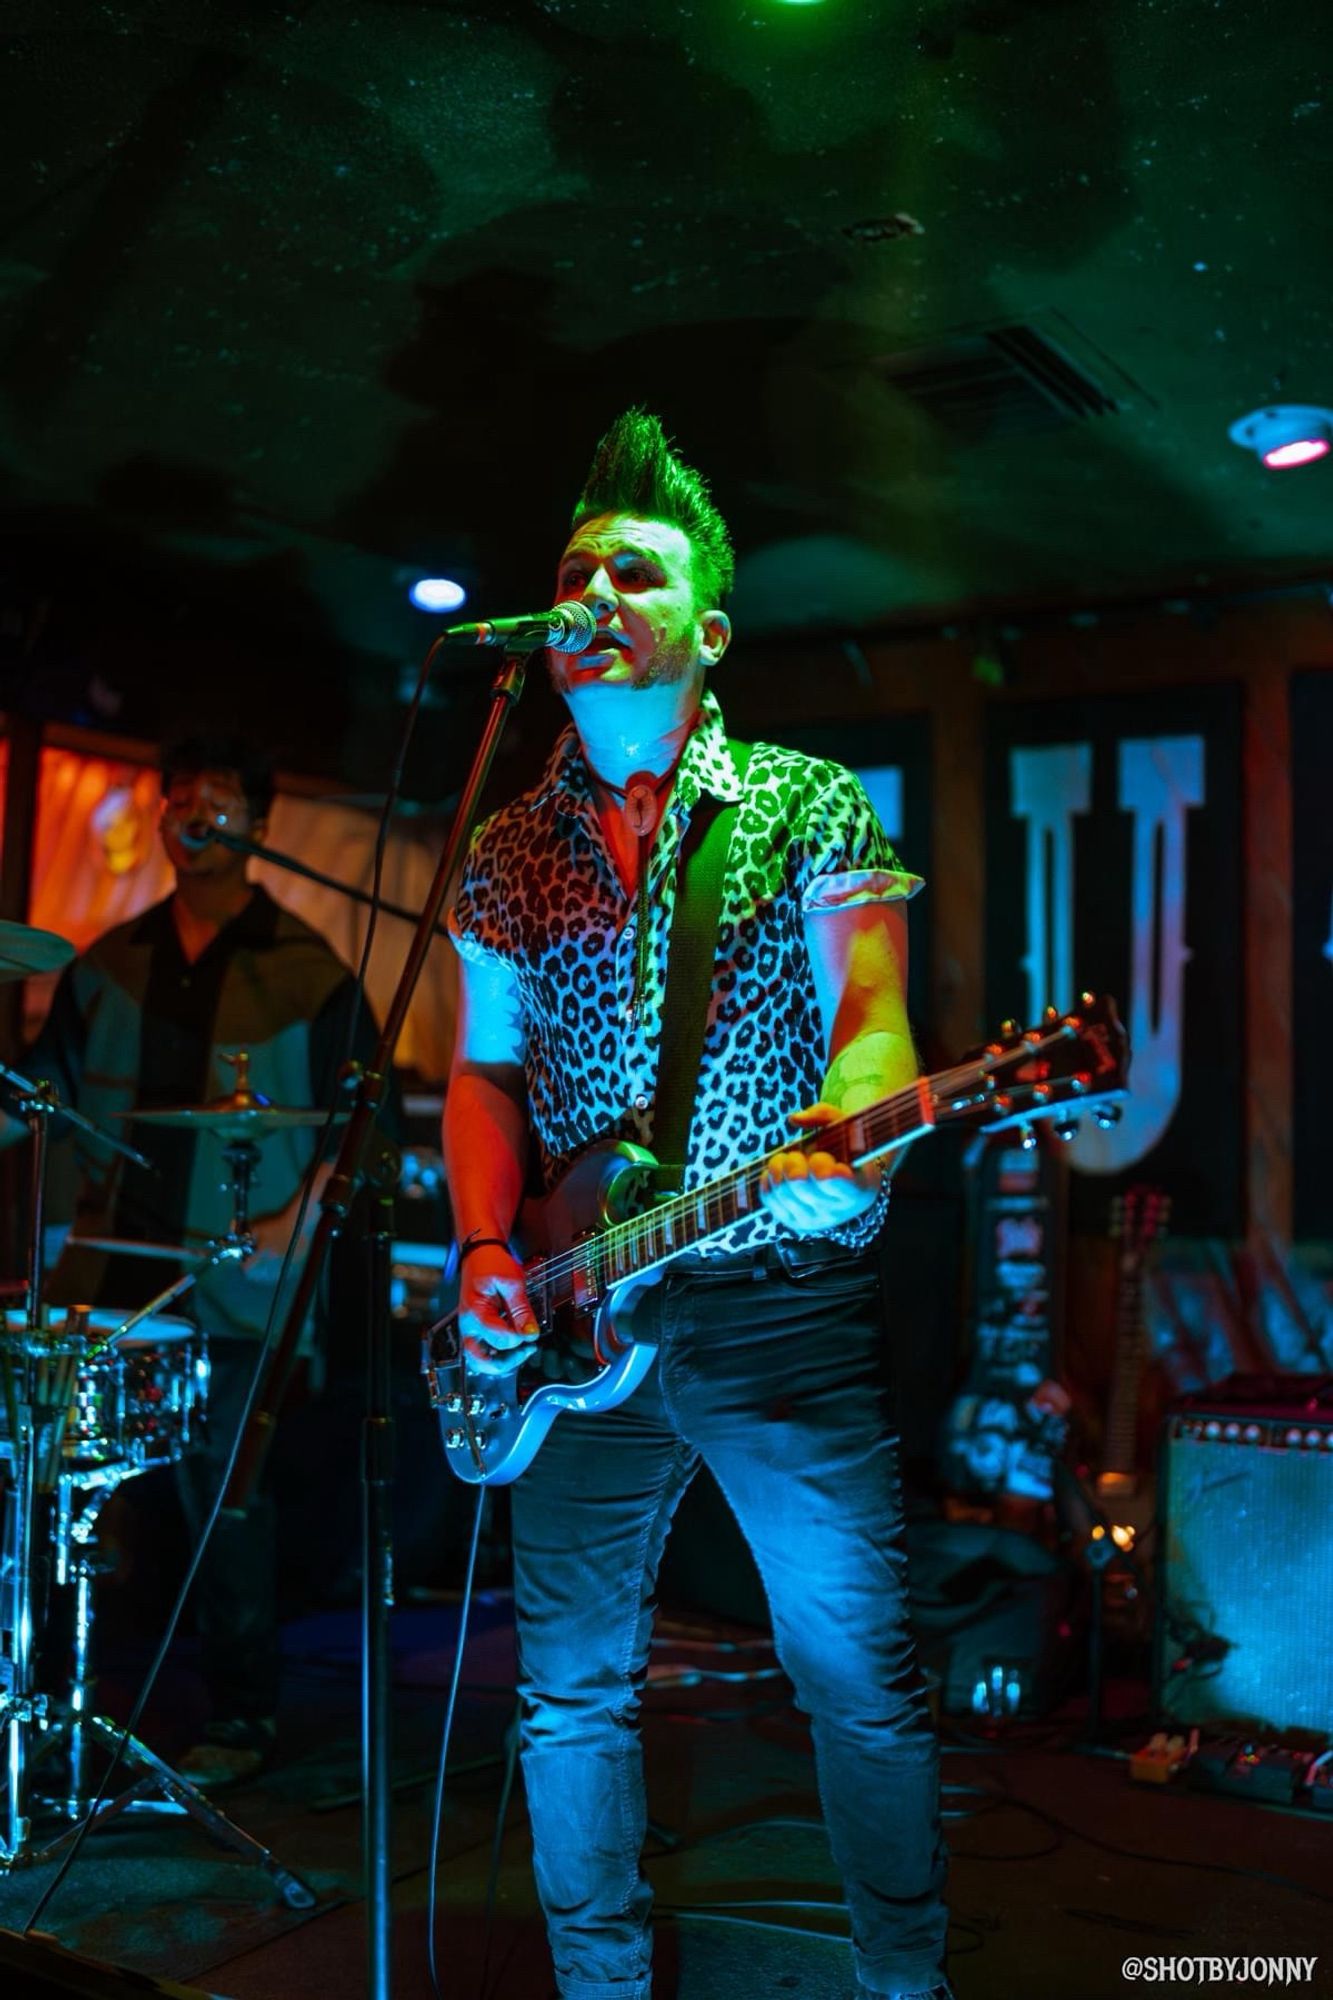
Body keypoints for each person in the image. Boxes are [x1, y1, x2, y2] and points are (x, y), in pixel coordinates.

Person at [443, 411, 952, 2000]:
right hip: (579, 1302)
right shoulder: (503, 855)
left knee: (855, 1676)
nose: (594, 585)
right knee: (569, 1690)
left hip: (774, 1289)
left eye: (635, 569)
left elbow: (874, 1015)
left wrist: (850, 1118)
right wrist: (480, 1247)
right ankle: (601, 1984)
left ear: (707, 627)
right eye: (573, 568)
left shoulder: (804, 805)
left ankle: (900, 1981)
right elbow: (483, 1081)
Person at [2, 737, 378, 1788]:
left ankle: (241, 1714)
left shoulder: (311, 971)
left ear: (258, 823)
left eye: (216, 797)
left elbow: (362, 1129)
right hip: (106, 1274)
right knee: (56, 1486)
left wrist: (293, 1223)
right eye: (177, 797)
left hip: (234, 1277)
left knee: (227, 1499)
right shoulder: (105, 963)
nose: (190, 812)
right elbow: (41, 1094)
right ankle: (50, 1701)